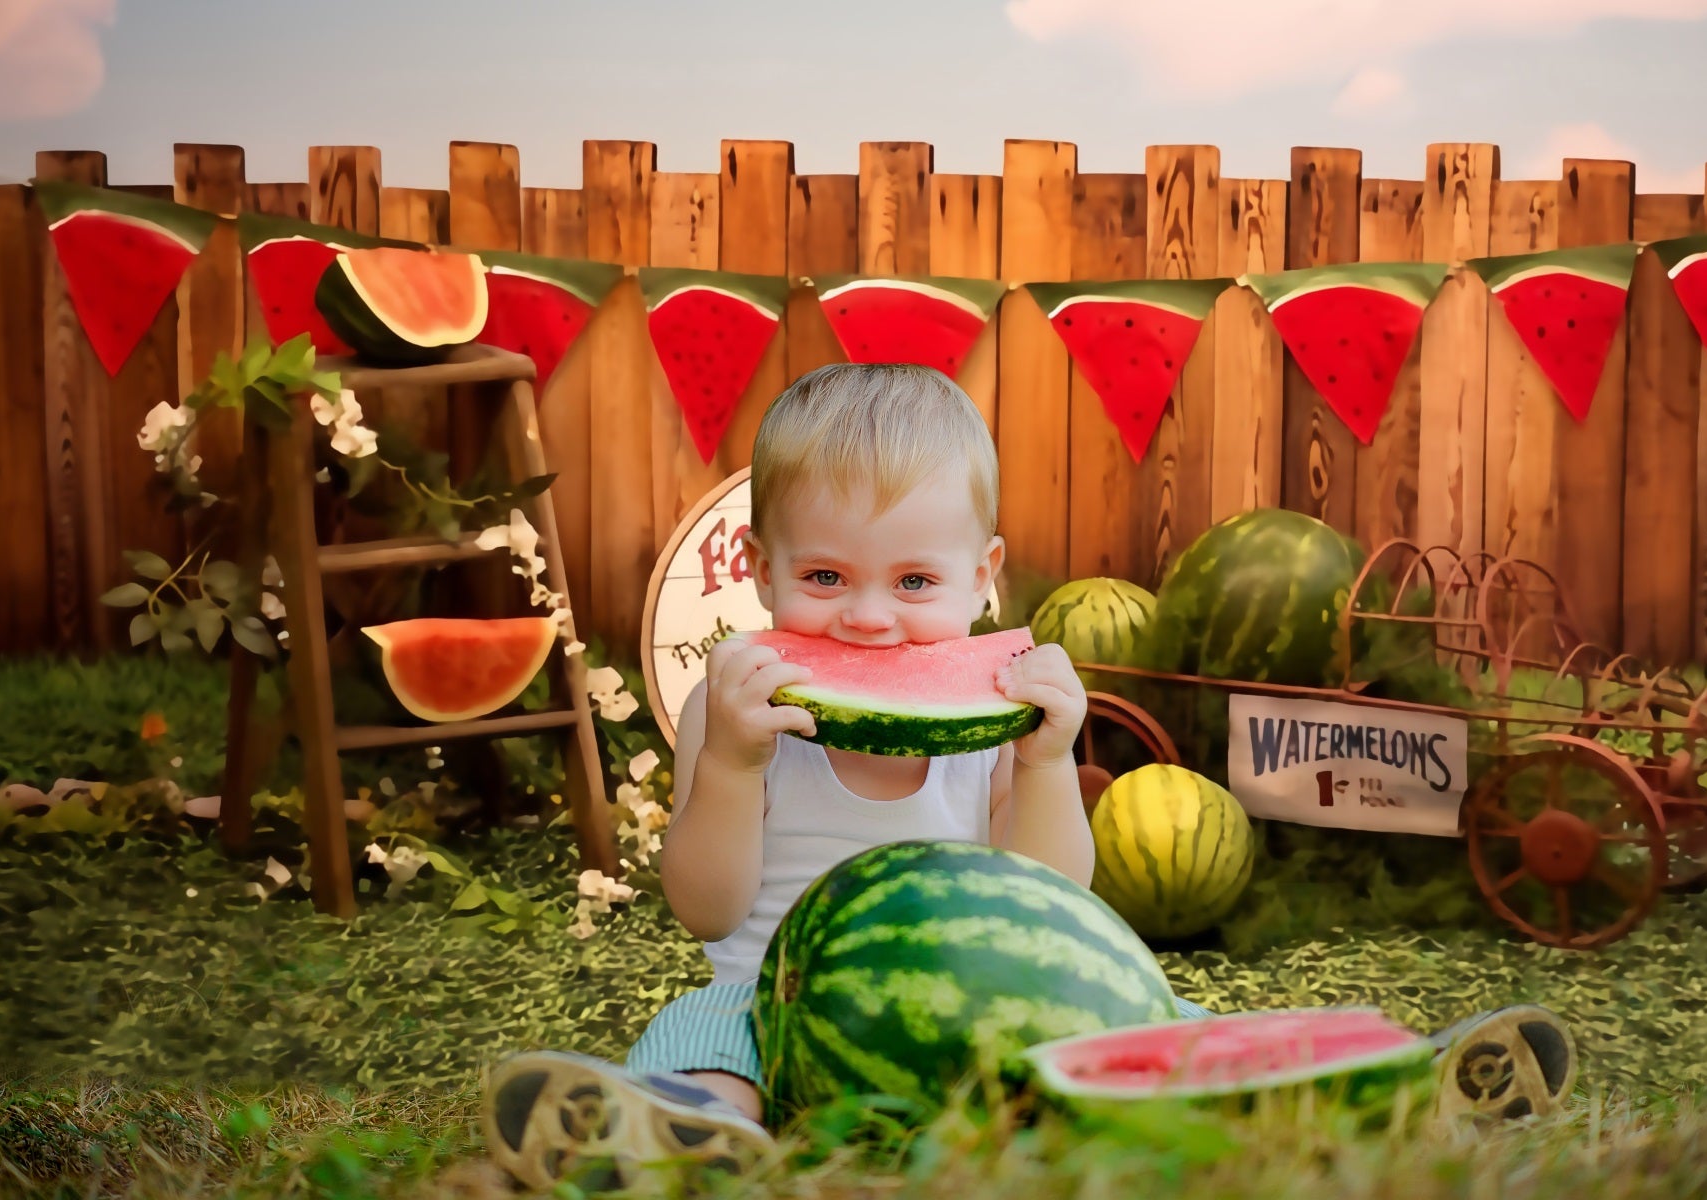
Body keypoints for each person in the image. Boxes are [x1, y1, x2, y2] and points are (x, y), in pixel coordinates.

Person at [481, 364, 1577, 1191]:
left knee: (1157, 1020)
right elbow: (705, 908)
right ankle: (691, 1133)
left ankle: (1380, 1085)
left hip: (993, 1002)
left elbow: (1055, 901)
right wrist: (728, 764)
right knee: (697, 1039)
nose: (866, 616)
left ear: (985, 579)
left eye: (915, 579)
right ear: (759, 568)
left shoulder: (1003, 707)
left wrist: (1046, 762)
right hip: (770, 999)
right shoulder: (738, 699)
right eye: (822, 576)